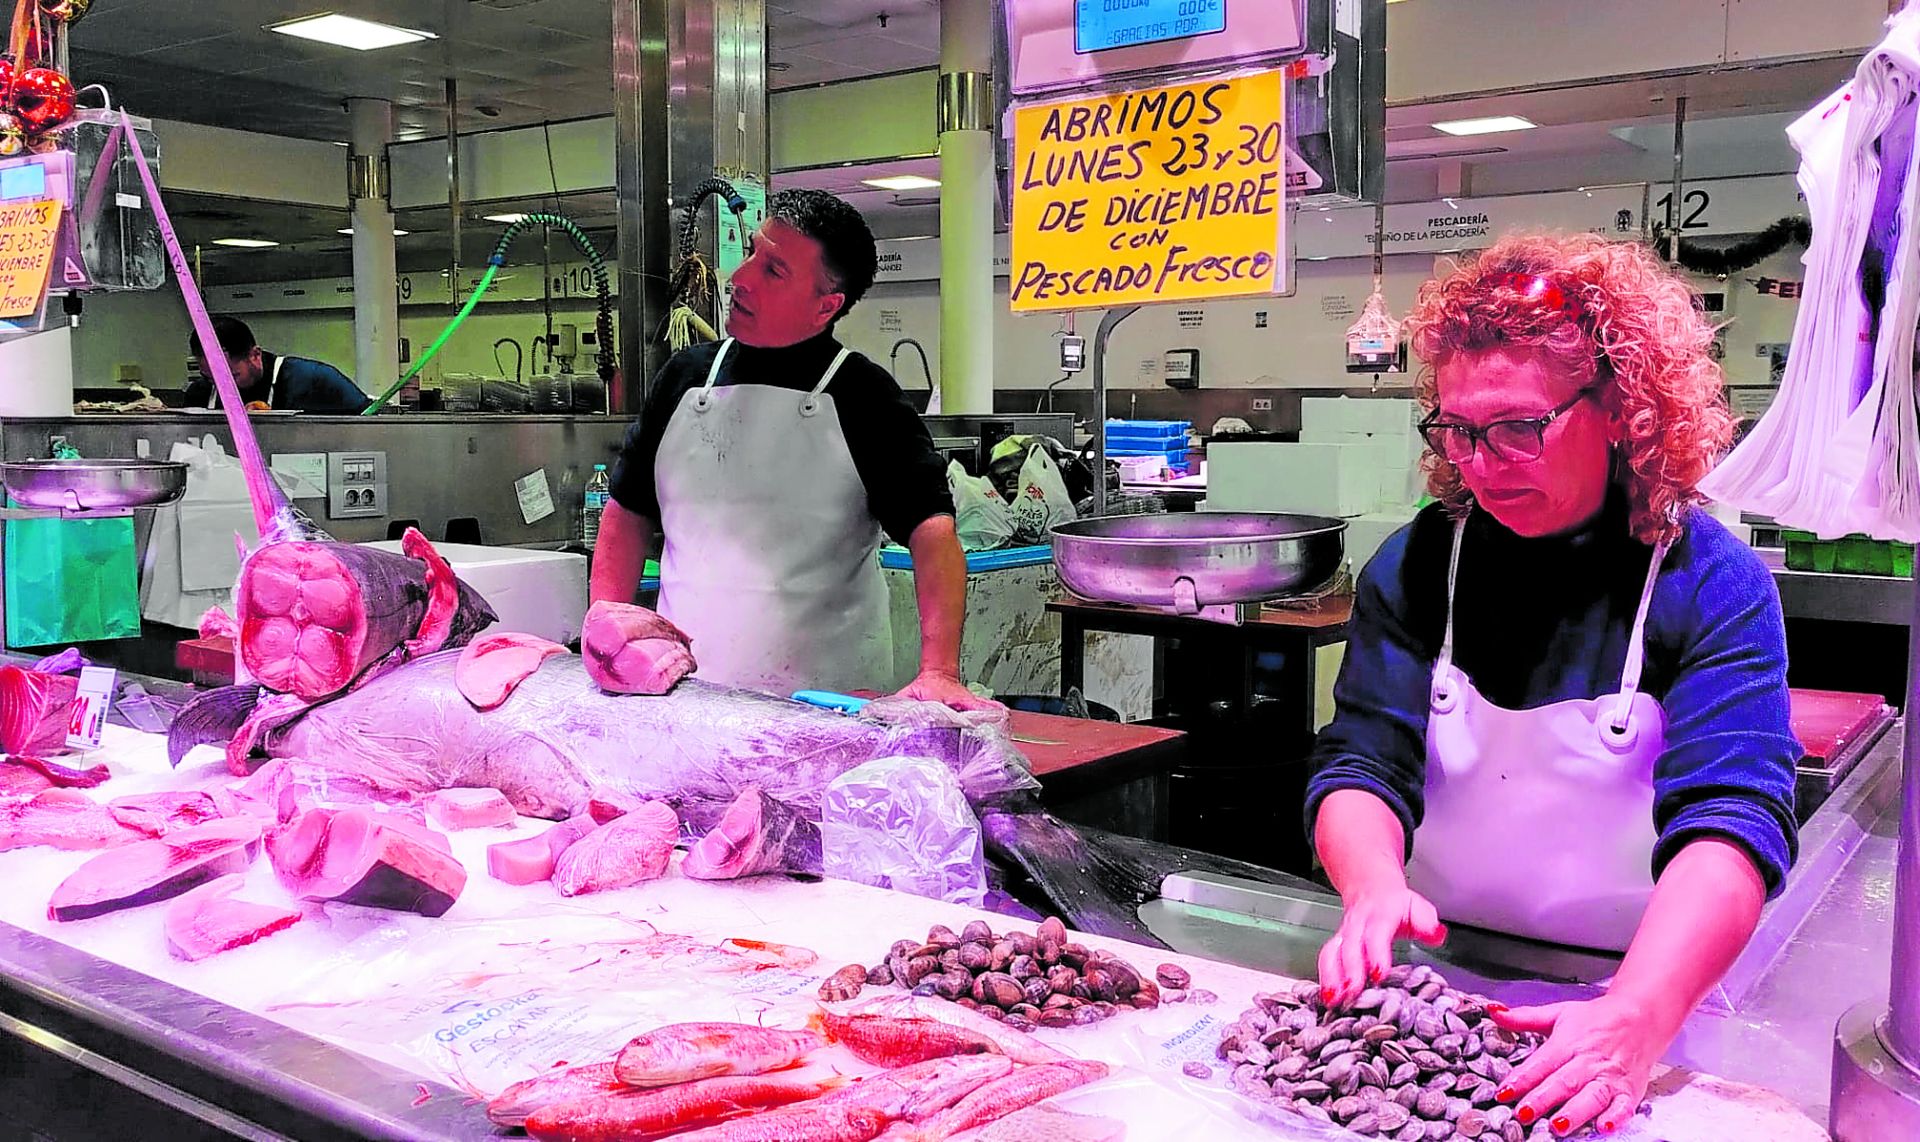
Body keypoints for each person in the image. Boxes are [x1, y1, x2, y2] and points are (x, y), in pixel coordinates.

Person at [1306, 233, 1798, 1137]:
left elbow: (1735, 819)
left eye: (1521, 429)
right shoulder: (1421, 563)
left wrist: (1638, 1019)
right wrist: (1372, 885)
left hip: (1637, 1001)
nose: (1482, 465)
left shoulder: (1708, 582)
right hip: (1433, 987)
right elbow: (1360, 763)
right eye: (1458, 431)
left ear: (1622, 407)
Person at [591, 188, 991, 710]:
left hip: (824, 707)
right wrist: (606, 630)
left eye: (774, 270)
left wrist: (939, 671)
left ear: (826, 306)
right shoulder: (684, 379)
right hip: (679, 699)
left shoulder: (864, 396)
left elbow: (932, 534)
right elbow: (627, 513)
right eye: (753, 252)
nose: (740, 279)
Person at [184, 315, 371, 414]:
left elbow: (368, 421)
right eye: (210, 378)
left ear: (255, 355)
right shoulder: (200, 394)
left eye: (231, 377)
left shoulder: (314, 381)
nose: (221, 388)